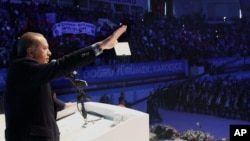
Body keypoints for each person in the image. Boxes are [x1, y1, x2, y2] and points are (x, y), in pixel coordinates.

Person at [3, 25, 127, 141]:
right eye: (45, 48)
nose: (50, 53)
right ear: (31, 53)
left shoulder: (32, 73)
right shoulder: (22, 68)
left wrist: (63, 105)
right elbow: (62, 65)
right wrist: (100, 46)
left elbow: (34, 101)